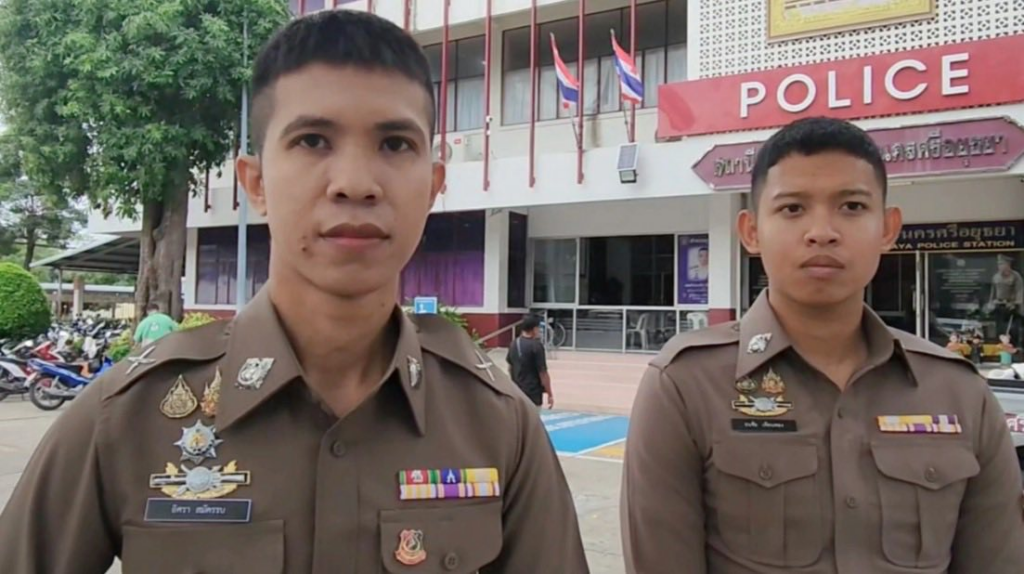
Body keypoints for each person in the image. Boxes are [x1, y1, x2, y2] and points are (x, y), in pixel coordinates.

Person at [0, 11, 589, 573]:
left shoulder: (496, 423)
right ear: (255, 183)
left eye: (394, 145)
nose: (355, 184)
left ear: (433, 185)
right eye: (312, 140)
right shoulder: (128, 417)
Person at [621, 117, 1024, 574]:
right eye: (793, 208)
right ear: (751, 232)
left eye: (851, 206)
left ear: (888, 228)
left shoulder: (959, 393)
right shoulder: (685, 386)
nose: (822, 232)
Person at [506, 314, 553, 409]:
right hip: (533, 393)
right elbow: (543, 373)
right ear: (534, 329)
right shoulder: (537, 346)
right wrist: (549, 393)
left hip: (517, 391)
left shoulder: (514, 344)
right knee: (533, 417)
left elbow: (510, 367)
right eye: (538, 328)